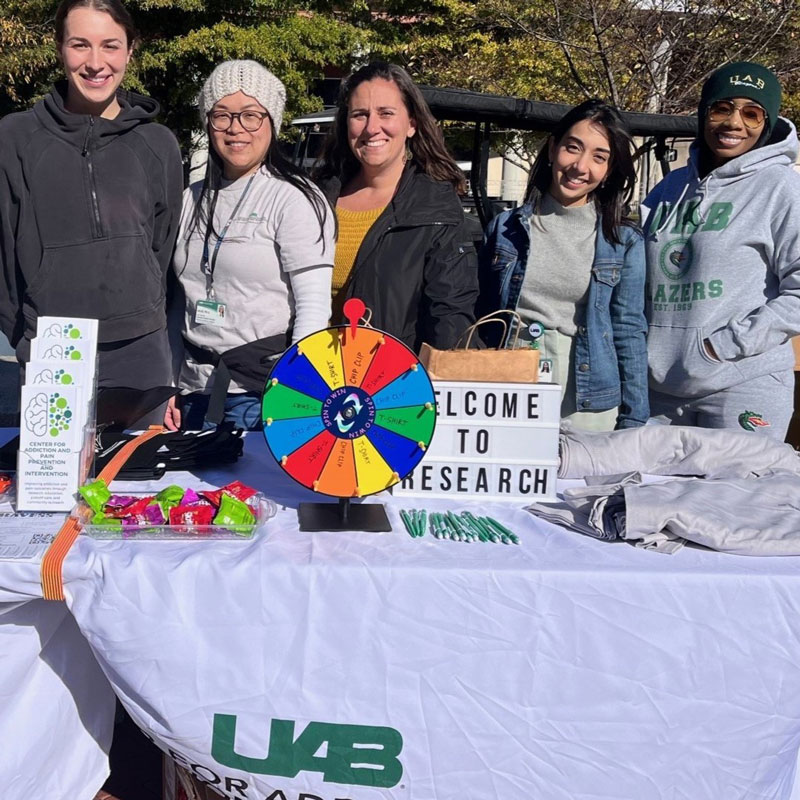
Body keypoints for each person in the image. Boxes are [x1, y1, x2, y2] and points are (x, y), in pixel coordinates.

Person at [0, 0, 183, 418]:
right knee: (55, 484)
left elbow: (161, 243)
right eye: (80, 45)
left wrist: (141, 306)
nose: (96, 63)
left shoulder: (157, 144)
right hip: (53, 345)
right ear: (60, 48)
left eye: (110, 46)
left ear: (130, 51)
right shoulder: (15, 138)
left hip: (141, 349)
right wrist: (27, 332)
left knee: (141, 482)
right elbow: (3, 252)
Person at [167, 60, 334, 431]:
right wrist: (167, 383)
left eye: (250, 115)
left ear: (271, 122)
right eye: (222, 115)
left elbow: (313, 308)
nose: (235, 128)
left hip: (260, 396)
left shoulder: (294, 199)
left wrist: (296, 394)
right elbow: (180, 301)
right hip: (192, 392)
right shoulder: (189, 200)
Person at [642, 62, 800, 440]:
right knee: (645, 495)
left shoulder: (782, 188)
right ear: (703, 113)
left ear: (767, 122)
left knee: (738, 497)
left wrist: (724, 345)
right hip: (658, 388)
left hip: (743, 380)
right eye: (721, 108)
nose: (733, 123)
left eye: (751, 113)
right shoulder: (670, 188)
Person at [477, 99, 648, 430]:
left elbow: (628, 330)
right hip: (509, 387)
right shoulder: (505, 228)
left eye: (599, 157)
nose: (581, 166)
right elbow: (483, 314)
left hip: (587, 393)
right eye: (573, 148)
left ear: (609, 170)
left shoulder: (623, 241)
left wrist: (635, 418)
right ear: (554, 147)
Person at [314, 61, 477, 352]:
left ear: (411, 124)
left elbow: (450, 314)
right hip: (308, 379)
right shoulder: (316, 196)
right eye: (360, 115)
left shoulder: (435, 207)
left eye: (386, 113)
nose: (371, 128)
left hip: (394, 386)